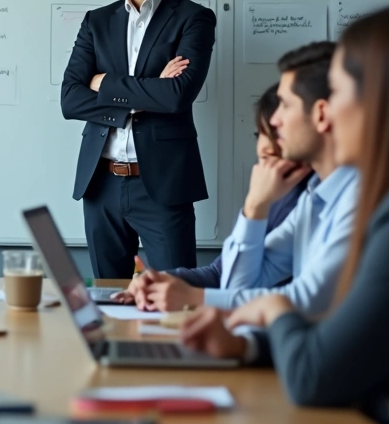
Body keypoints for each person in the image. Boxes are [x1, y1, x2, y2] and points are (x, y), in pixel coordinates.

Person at [182, 6, 389, 424]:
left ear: (381, 100)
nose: (327, 116)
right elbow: (338, 339)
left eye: (335, 93)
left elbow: (313, 375)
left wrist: (275, 308)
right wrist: (247, 345)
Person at [127, 42, 357, 317]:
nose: (275, 122)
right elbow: (235, 284)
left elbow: (308, 300)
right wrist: (254, 208)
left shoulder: (362, 198)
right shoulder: (315, 195)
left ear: (321, 114)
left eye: (284, 105)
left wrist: (196, 297)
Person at [60, 0, 217, 278]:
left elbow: (177, 95)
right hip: (101, 184)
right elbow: (70, 99)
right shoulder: (96, 22)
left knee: (175, 299)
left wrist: (105, 83)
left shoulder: (194, 18)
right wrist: (147, 93)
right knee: (107, 297)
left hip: (161, 185)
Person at [115, 84, 310, 301]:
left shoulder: (315, 202)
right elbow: (221, 273)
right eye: (261, 133)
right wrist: (160, 280)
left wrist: (193, 296)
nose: (264, 147)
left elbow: (294, 300)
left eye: (276, 133)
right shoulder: (281, 195)